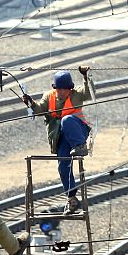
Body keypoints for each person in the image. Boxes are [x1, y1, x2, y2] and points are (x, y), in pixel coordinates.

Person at [23, 66, 95, 203]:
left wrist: (85, 76)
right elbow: (39, 110)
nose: (62, 91)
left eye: (65, 88)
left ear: (70, 88)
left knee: (66, 119)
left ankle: (81, 146)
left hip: (79, 131)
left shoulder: (77, 94)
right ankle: (71, 197)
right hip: (61, 137)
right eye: (59, 88)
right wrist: (31, 103)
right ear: (55, 88)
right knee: (63, 165)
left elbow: (89, 93)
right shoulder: (48, 96)